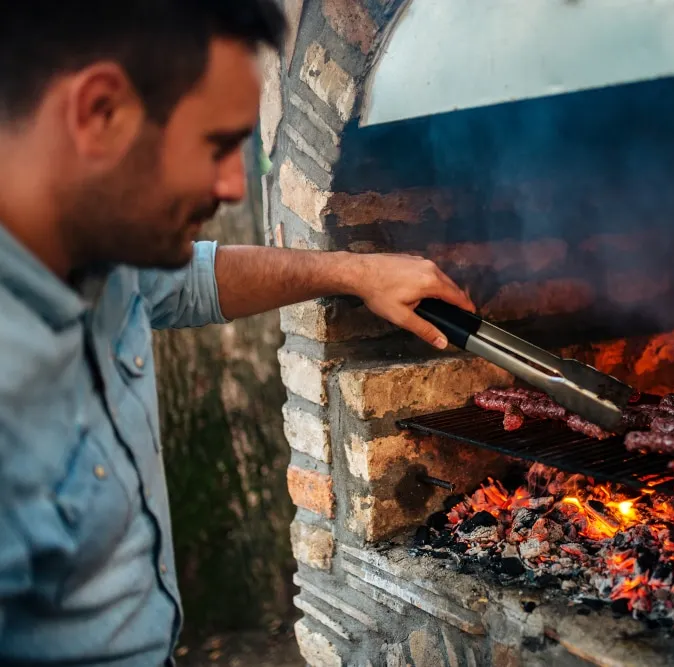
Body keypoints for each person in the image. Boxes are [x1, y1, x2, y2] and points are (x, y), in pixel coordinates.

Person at [0, 1, 475, 665]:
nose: (232, 186)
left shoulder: (103, 255)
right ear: (98, 113)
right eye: (217, 146)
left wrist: (356, 270)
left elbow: (193, 280)